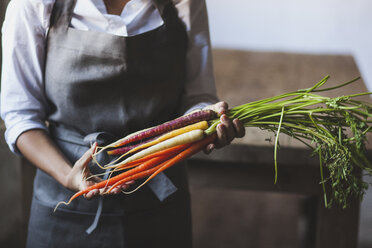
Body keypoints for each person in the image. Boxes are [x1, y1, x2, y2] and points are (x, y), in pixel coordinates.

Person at [1, 0, 245, 247]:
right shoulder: (35, 5)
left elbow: (198, 97)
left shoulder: (185, 4)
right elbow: (21, 116)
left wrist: (208, 120)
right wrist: (68, 176)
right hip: (64, 203)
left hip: (158, 199)